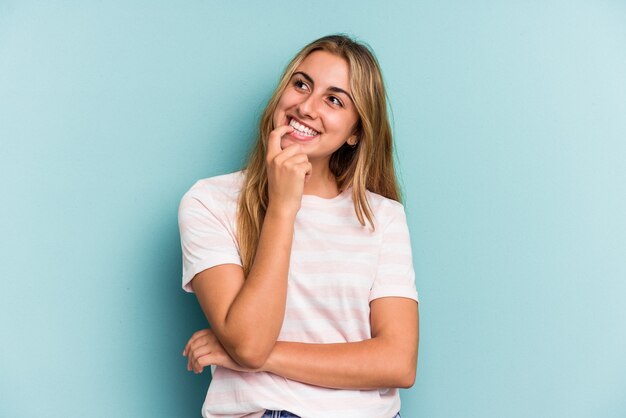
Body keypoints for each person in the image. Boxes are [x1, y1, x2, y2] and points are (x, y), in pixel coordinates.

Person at [178, 34, 419, 418]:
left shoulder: (382, 216)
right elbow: (250, 342)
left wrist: (254, 357)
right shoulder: (210, 202)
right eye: (301, 84)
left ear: (356, 131)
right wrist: (283, 207)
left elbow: (398, 362)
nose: (306, 107)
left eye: (334, 99)